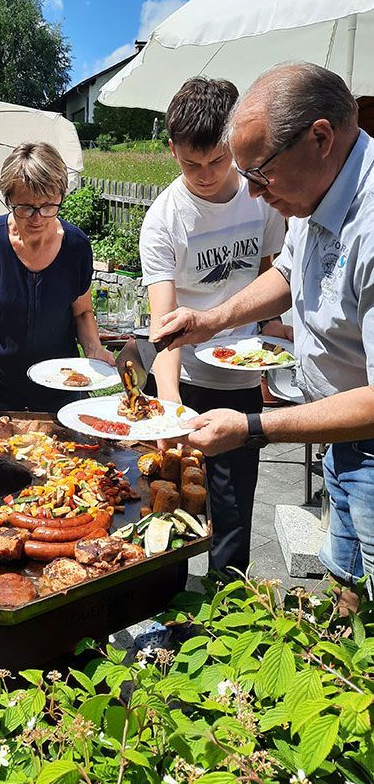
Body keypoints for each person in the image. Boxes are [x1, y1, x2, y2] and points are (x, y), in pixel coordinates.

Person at [154, 62, 374, 596]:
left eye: (259, 173)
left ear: (320, 137)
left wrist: (255, 427)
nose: (252, 193)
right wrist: (209, 321)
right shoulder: (317, 195)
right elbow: (285, 271)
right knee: (345, 581)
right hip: (340, 439)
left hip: (368, 444)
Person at [139, 77, 286, 574]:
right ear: (172, 149)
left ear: (234, 144)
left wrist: (277, 328)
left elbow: (270, 273)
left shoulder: (262, 195)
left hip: (242, 379)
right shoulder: (164, 219)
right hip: (182, 382)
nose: (204, 175)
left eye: (217, 161)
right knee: (171, 511)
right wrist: (169, 409)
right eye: (190, 164)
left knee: (234, 512)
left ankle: (228, 618)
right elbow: (165, 325)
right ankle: (169, 617)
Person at [0, 142, 114, 412]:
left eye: (48, 206)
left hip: (60, 392)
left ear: (61, 196)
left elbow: (82, 313)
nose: (37, 218)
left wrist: (94, 349)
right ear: (8, 200)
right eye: (25, 207)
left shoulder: (76, 246)